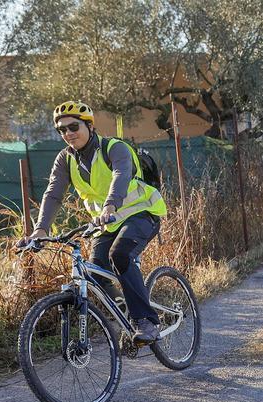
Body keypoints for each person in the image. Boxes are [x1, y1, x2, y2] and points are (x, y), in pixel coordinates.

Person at [19, 100, 167, 344]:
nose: (68, 133)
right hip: (107, 223)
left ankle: (147, 321)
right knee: (95, 272)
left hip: (142, 213)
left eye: (73, 127)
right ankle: (126, 309)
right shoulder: (65, 159)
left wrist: (110, 205)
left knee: (120, 255)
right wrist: (40, 230)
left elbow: (121, 175)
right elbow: (54, 193)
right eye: (62, 130)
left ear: (89, 125)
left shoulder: (114, 148)